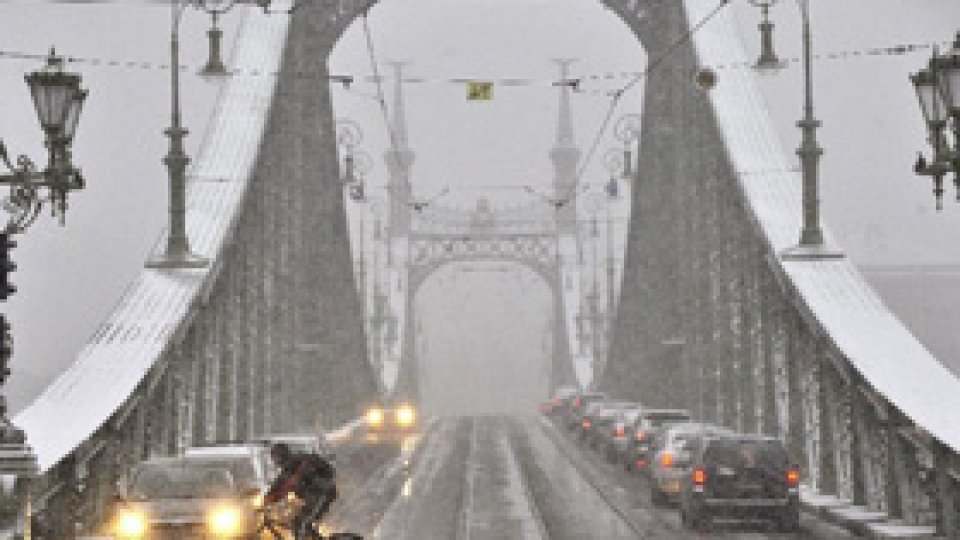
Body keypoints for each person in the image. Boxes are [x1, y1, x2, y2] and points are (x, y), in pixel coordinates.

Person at [264, 442, 337, 540]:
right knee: (298, 523)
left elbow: (328, 470)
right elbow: (276, 489)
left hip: (322, 494)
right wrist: (265, 501)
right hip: (314, 497)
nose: (276, 461)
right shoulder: (287, 472)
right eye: (274, 458)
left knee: (300, 523)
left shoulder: (302, 461)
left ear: (283, 454)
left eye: (276, 457)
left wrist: (321, 483)